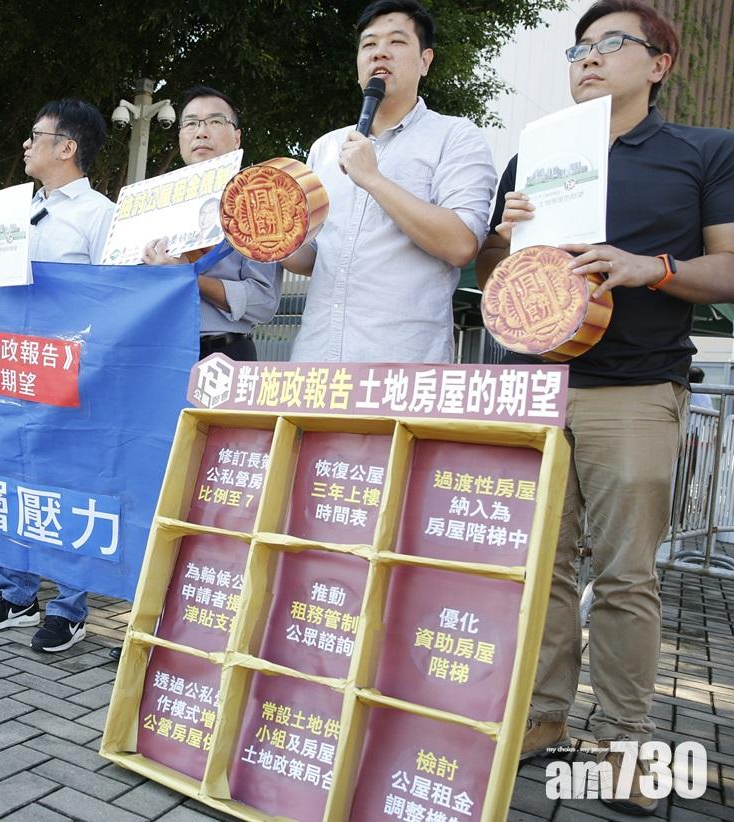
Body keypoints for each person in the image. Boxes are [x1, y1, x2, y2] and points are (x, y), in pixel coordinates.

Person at [475, 2, 734, 813]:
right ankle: (543, 717)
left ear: (659, 65)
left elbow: (730, 269)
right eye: (578, 48)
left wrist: (653, 266)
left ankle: (625, 741)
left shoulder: (704, 151)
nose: (587, 58)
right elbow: (491, 275)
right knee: (542, 571)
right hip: (535, 387)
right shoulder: (537, 154)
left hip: (636, 389)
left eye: (610, 44)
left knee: (625, 576)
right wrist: (503, 237)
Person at [0, 99, 114, 652]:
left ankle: (69, 608)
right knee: (3, 478)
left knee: (66, 488)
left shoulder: (100, 214)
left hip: (68, 376)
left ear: (67, 147)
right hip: (7, 371)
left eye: (35, 135)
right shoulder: (9, 206)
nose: (25, 145)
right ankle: (16, 595)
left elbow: (113, 297)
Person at [283, 0, 496, 363]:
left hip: (402, 365)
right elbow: (315, 258)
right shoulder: (325, 148)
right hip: (315, 361)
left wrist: (373, 179)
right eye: (369, 44)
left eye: (396, 42)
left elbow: (462, 244)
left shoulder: (455, 136)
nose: (380, 52)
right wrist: (276, 241)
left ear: (425, 61)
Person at [142, 85, 283, 362]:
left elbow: (263, 302)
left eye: (215, 122)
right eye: (191, 123)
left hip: (224, 354)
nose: (201, 132)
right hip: (157, 355)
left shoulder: (256, 202)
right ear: (180, 136)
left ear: (237, 137)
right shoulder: (151, 204)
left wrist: (187, 277)